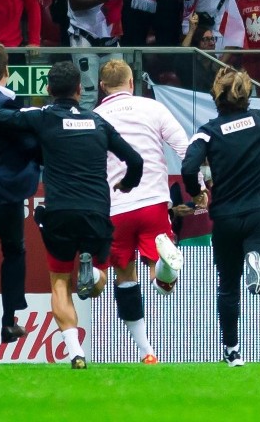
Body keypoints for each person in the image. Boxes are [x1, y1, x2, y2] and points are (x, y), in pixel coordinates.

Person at [0, 61, 144, 369]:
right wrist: (126, 184)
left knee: (60, 281)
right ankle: (96, 273)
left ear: (48, 90)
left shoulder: (42, 116)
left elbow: (0, 117)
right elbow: (135, 160)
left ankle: (76, 352)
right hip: (97, 213)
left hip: (59, 213)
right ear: (79, 89)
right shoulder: (99, 121)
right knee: (99, 283)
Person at [181, 68, 260, 366]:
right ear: (247, 94)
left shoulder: (207, 131)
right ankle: (255, 260)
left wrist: (197, 191)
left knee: (227, 285)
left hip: (225, 217)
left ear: (216, 95)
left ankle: (232, 351)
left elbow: (188, 168)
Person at [93, 59, 188, 364]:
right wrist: (197, 186)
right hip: (153, 201)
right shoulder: (152, 108)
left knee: (124, 276)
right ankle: (163, 272)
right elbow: (184, 147)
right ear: (132, 83)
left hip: (115, 205)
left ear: (101, 87)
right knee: (162, 281)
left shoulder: (94, 117)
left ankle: (145, 350)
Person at [0, 41, 40, 344]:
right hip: (3, 192)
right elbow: (28, 144)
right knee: (13, 251)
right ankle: (9, 322)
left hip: (3, 190)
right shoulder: (10, 105)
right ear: (6, 71)